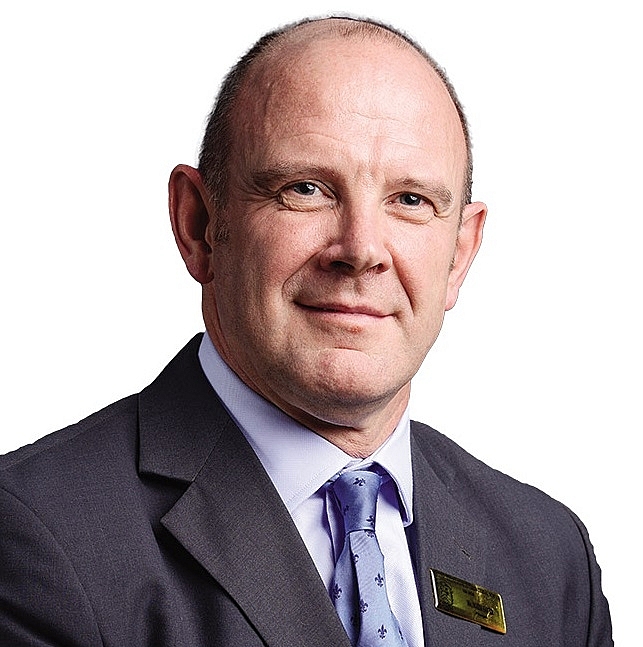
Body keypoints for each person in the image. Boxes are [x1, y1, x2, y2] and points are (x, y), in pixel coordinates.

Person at [0, 15, 612, 647]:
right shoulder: (36, 538)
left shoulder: (550, 559)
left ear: (459, 254)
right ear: (199, 224)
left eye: (411, 200)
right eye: (306, 189)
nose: (362, 250)